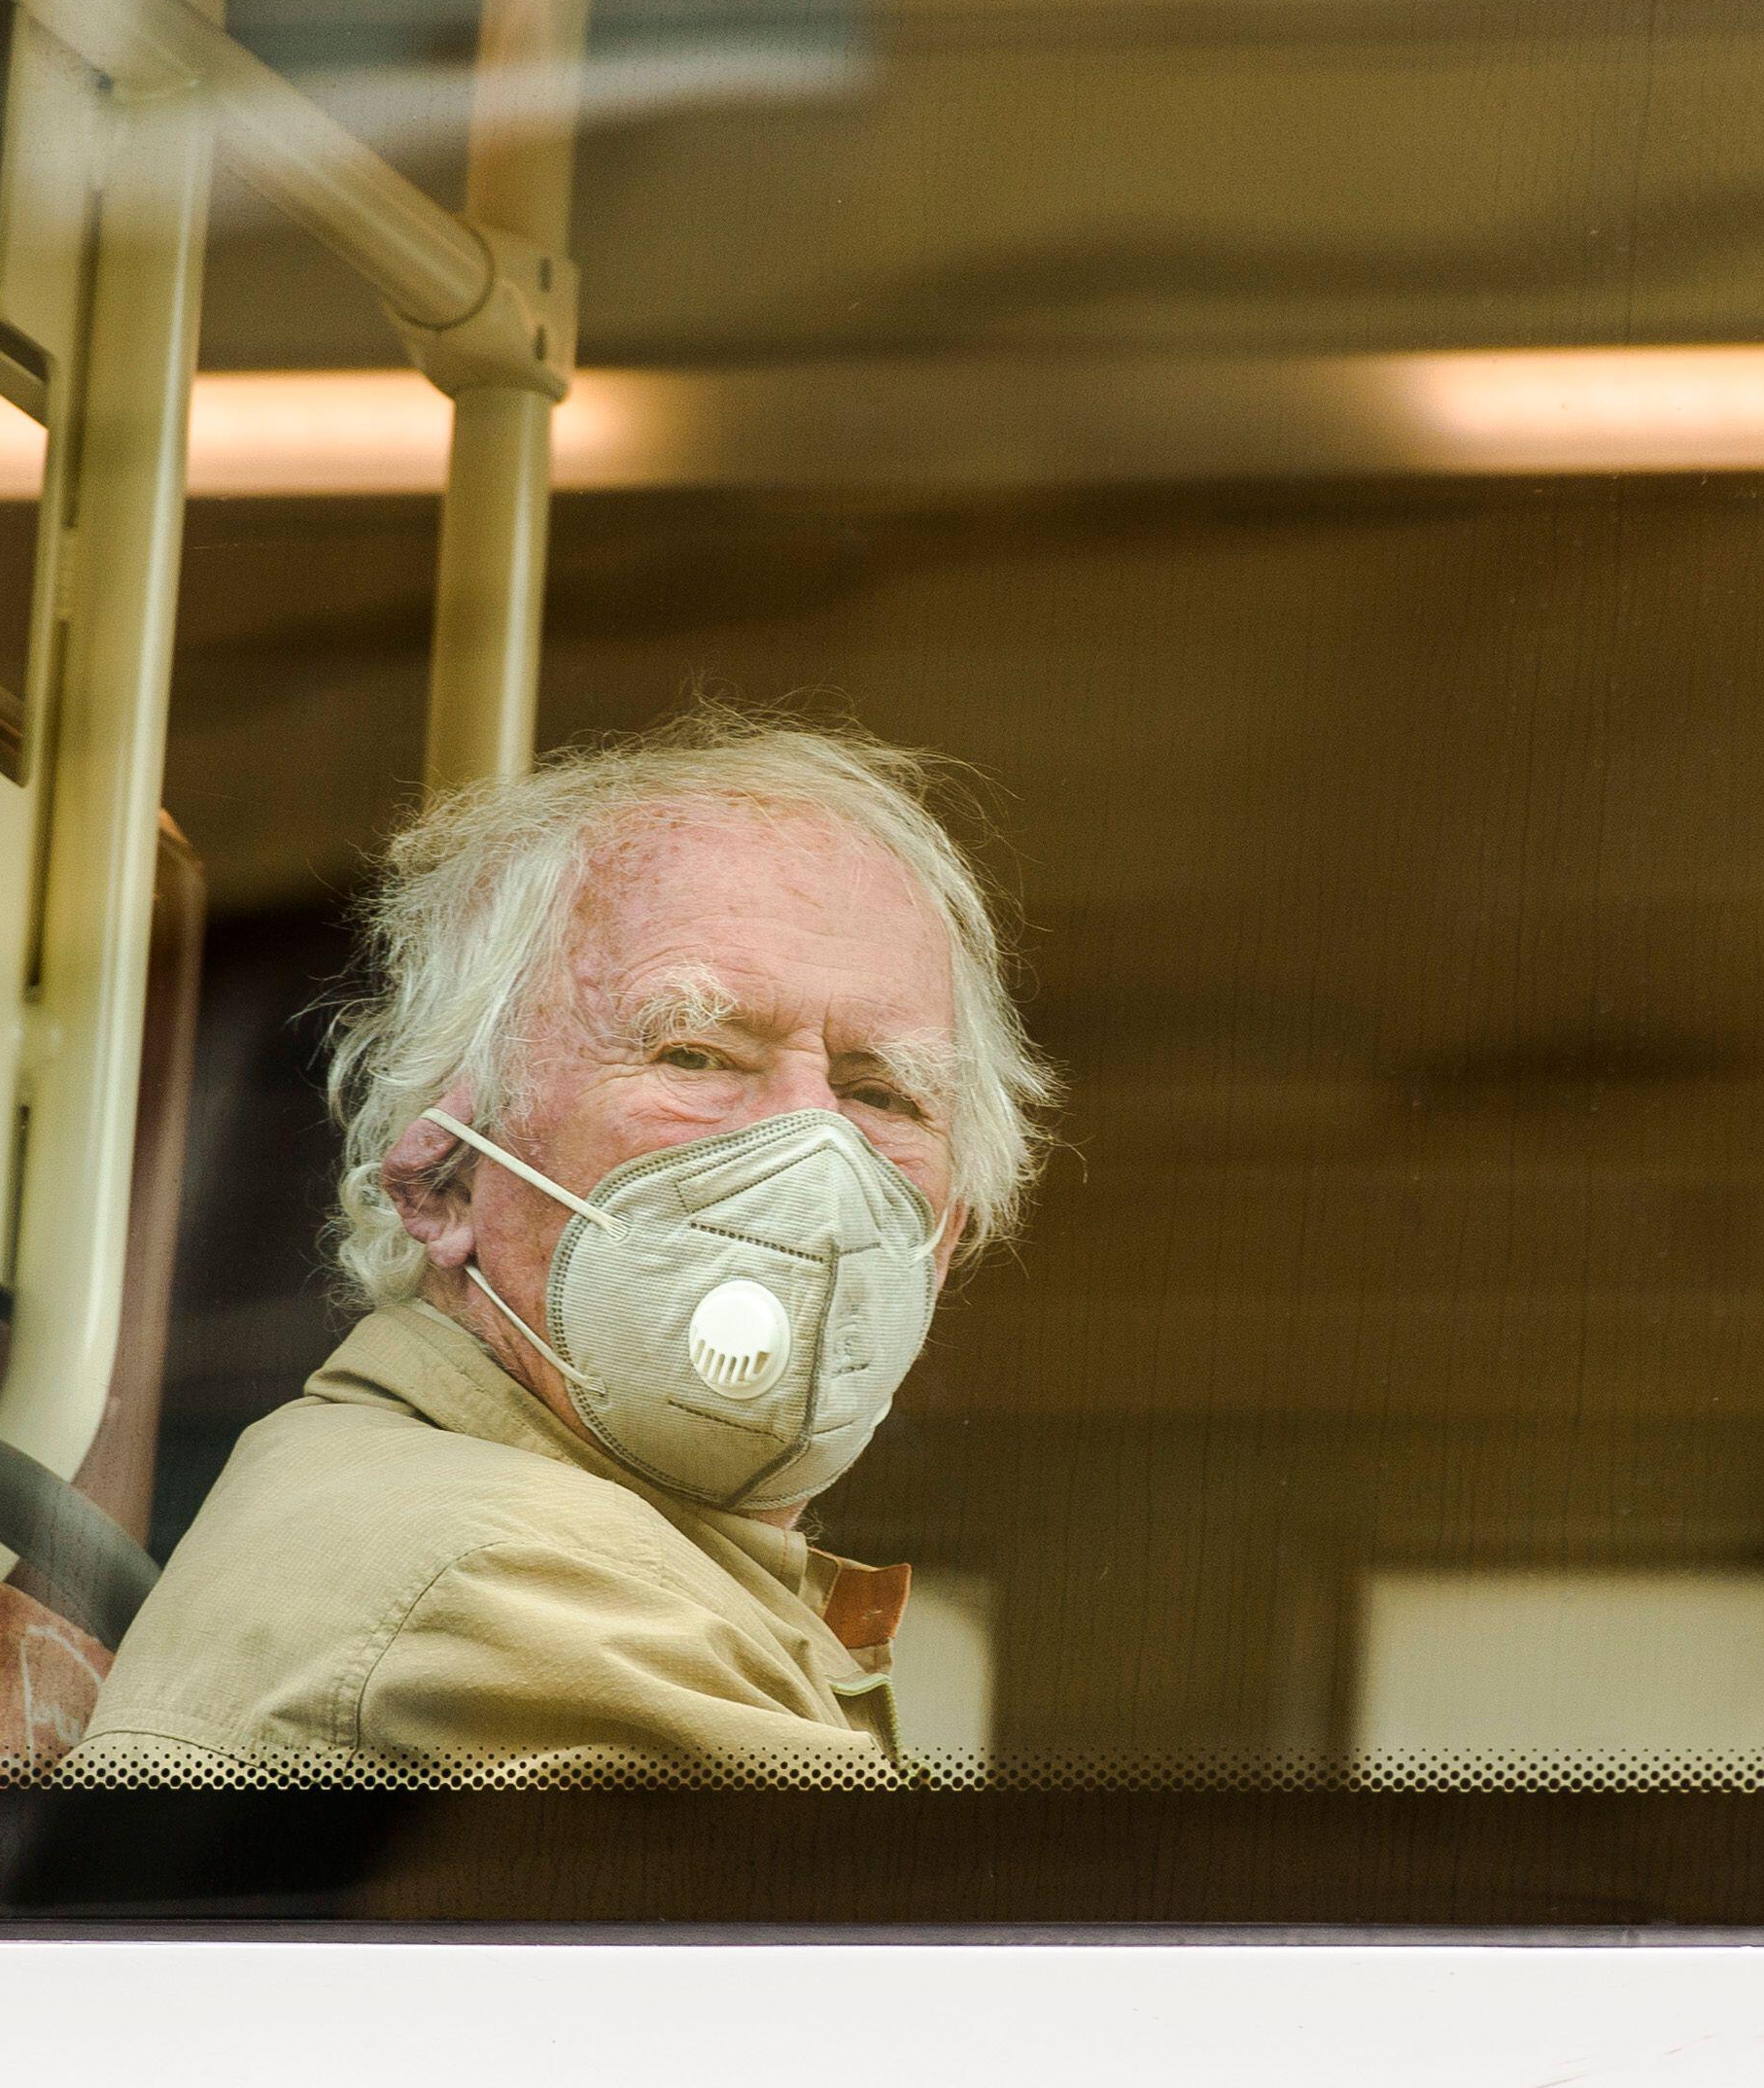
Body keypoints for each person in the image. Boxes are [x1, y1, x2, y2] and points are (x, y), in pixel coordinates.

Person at [67, 705, 1056, 1785]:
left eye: (881, 1092)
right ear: (440, 1180)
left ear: (948, 1235)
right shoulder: (513, 1576)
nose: (809, 1155)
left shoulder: (658, 1562)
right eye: (696, 1055)